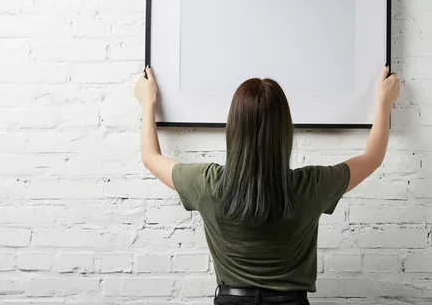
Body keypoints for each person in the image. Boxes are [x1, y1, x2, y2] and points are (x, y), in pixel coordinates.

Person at [134, 65, 400, 305]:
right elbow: (372, 158)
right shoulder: (310, 186)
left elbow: (151, 158)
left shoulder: (208, 184)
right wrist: (384, 102)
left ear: (234, 129)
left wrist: (148, 102)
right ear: (285, 130)